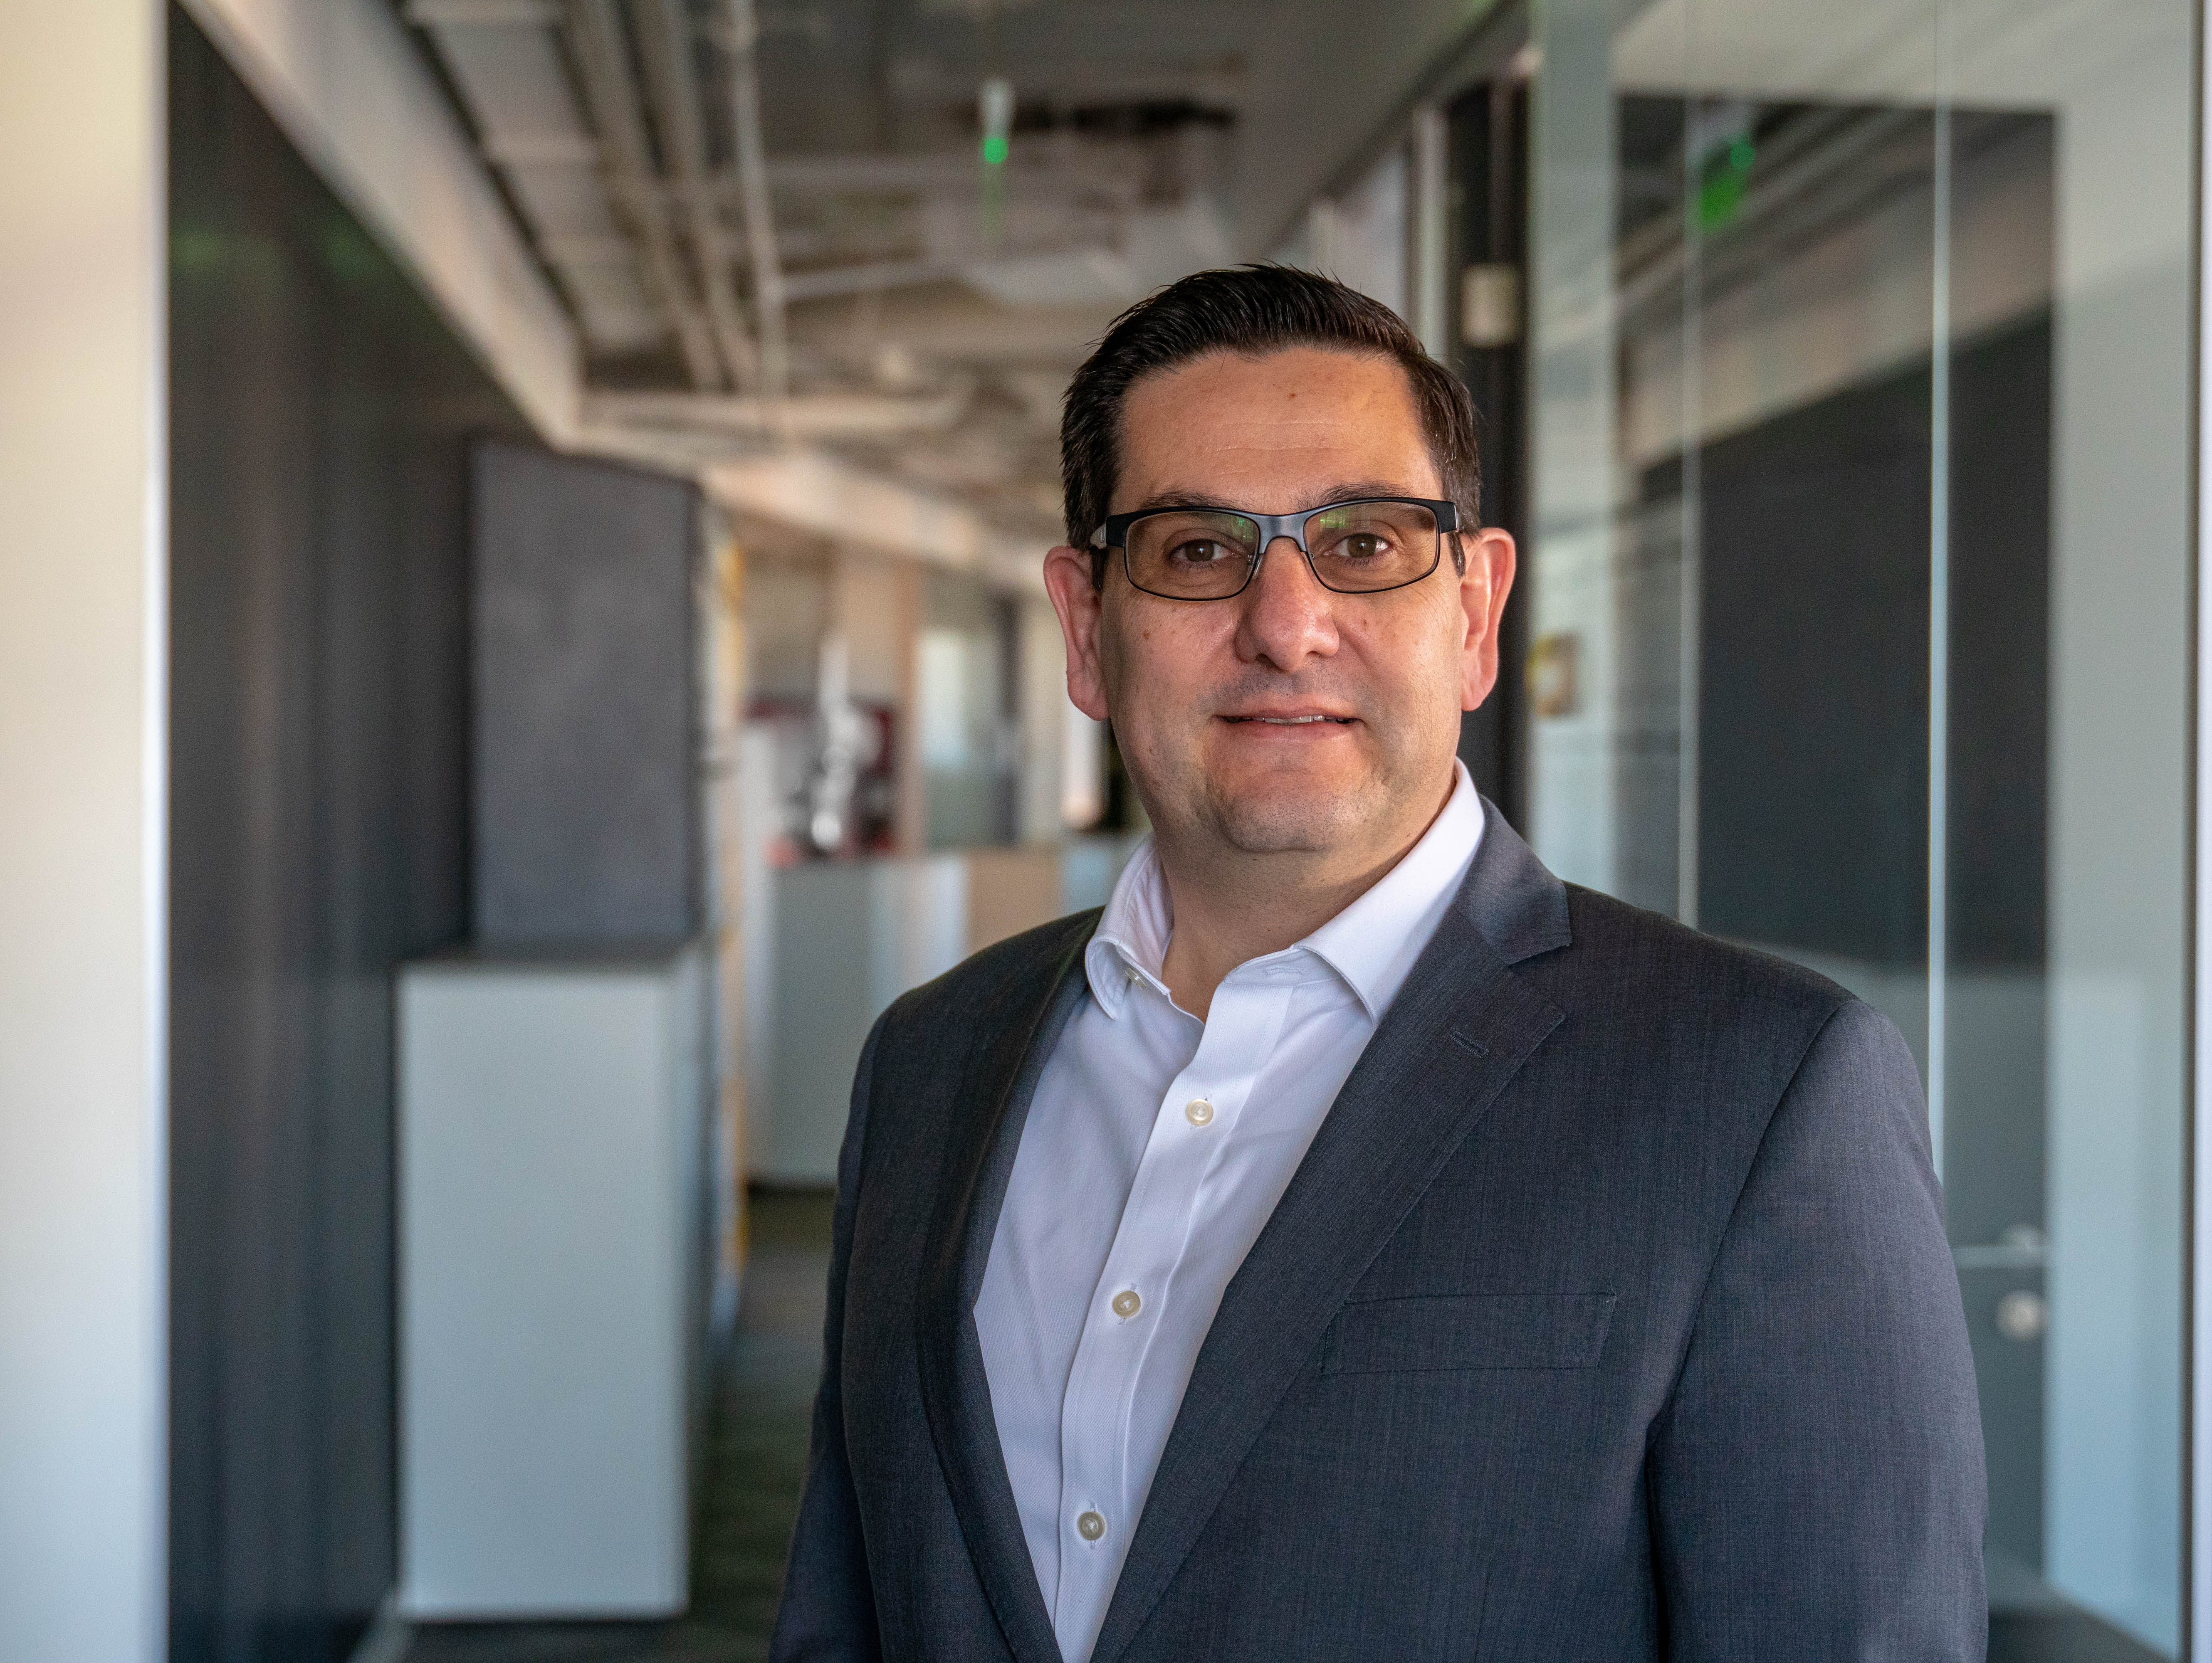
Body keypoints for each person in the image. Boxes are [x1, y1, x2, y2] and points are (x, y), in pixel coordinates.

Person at [769, 265, 1985, 1663]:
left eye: (1363, 543)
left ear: (1473, 613)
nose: (1286, 625)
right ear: (1086, 629)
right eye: (1196, 550)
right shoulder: (931, 1063)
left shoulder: (1759, 1090)